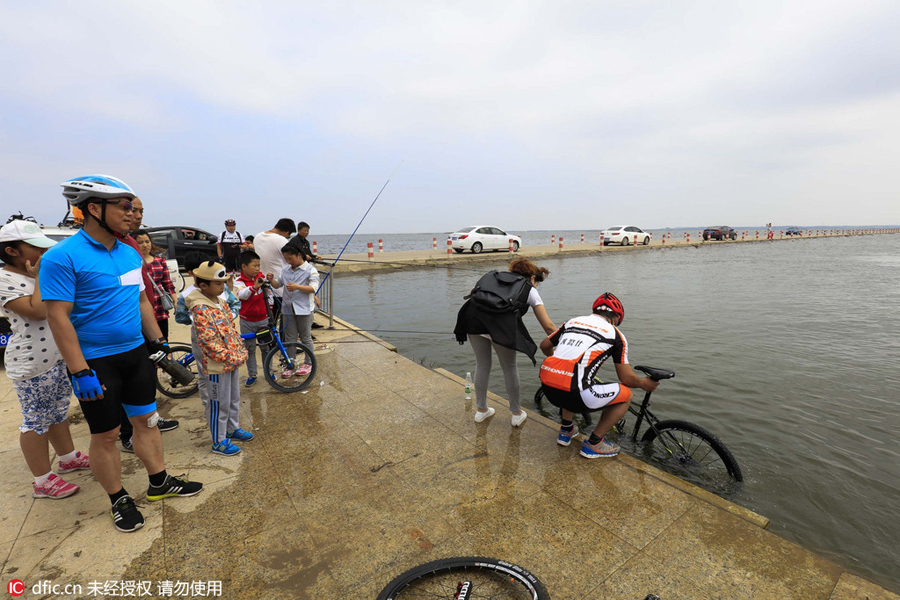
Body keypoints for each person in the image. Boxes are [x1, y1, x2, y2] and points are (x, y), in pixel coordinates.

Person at [41, 174, 202, 533]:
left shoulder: (129, 251)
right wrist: (80, 371)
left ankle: (160, 482)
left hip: (136, 353)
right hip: (96, 362)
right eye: (125, 206)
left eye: (134, 207)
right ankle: (118, 498)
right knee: (108, 435)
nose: (134, 214)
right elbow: (57, 316)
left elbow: (141, 299)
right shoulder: (61, 257)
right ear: (94, 209)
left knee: (147, 421)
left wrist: (158, 342)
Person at [0, 221, 89, 499]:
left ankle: (67, 456)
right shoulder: (5, 280)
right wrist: (41, 278)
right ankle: (42, 480)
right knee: (35, 421)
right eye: (35, 247)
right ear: (12, 251)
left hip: (56, 357)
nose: (43, 252)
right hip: (31, 362)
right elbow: (38, 311)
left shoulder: (37, 272)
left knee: (57, 412)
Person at [538, 293, 658, 458]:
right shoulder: (616, 335)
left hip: (548, 389)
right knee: (627, 395)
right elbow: (626, 379)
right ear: (616, 317)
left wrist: (557, 361)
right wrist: (644, 383)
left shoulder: (572, 322)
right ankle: (594, 443)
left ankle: (566, 431)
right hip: (575, 395)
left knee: (572, 379)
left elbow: (544, 345)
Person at [454, 258, 556, 427]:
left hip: (473, 321)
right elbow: (548, 326)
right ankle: (516, 413)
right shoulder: (529, 289)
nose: (536, 286)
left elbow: (471, 297)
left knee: (482, 365)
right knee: (509, 367)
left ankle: (481, 410)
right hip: (501, 327)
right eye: (537, 283)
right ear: (532, 278)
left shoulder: (491, 277)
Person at [186, 261, 251, 456]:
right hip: (217, 364)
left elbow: (229, 329)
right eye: (218, 284)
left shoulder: (219, 302)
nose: (222, 287)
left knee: (232, 398)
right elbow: (206, 339)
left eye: (223, 283)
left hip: (230, 360)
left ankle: (232, 428)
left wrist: (235, 352)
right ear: (203, 285)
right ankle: (219, 440)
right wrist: (225, 356)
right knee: (217, 402)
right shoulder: (199, 308)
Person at [175, 252, 241, 408]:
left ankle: (227, 409)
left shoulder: (221, 288)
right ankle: (209, 404)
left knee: (228, 371)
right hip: (202, 336)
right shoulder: (187, 295)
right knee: (206, 372)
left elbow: (235, 304)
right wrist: (198, 321)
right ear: (192, 273)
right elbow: (180, 317)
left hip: (226, 334)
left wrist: (227, 317)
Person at [266, 245, 317, 378]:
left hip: (304, 309)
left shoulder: (311, 270)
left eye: (290, 258)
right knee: (290, 338)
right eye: (286, 258)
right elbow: (278, 285)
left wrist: (297, 287)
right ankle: (291, 363)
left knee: (305, 337)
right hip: (288, 308)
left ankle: (308, 363)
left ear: (299, 255)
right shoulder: (286, 269)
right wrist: (271, 280)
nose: (289, 261)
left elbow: (313, 288)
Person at [233, 250, 268, 387]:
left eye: (259, 265)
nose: (258, 269)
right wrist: (254, 287)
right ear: (244, 266)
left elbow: (269, 293)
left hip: (263, 318)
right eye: (254, 266)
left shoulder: (261, 277)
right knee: (249, 348)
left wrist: (269, 280)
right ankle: (252, 374)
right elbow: (242, 294)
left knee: (266, 347)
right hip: (247, 320)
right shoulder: (238, 281)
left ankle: (268, 372)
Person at [133, 230, 176, 339]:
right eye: (140, 242)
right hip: (141, 311)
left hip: (160, 309)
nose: (145, 245)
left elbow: (167, 284)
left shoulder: (160, 261)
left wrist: (175, 300)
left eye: (147, 241)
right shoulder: (133, 263)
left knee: (163, 340)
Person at [253, 218, 295, 299]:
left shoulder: (257, 236)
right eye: (288, 236)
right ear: (286, 232)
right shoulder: (281, 240)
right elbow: (293, 260)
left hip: (261, 283)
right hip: (279, 287)